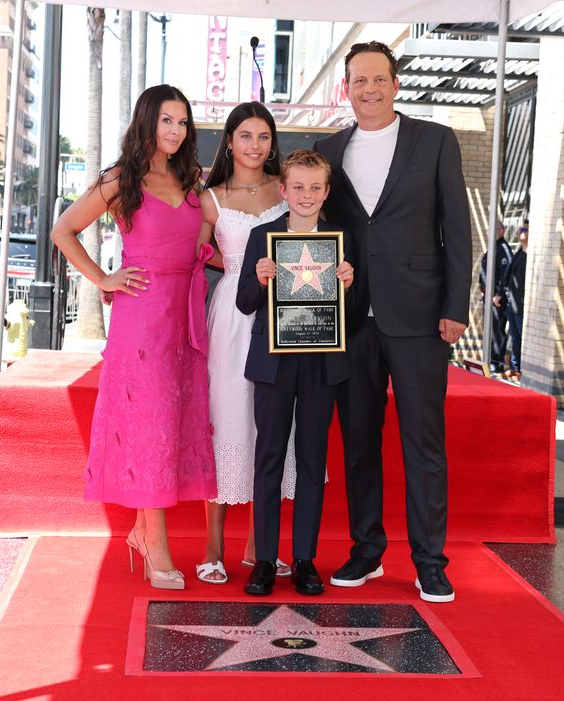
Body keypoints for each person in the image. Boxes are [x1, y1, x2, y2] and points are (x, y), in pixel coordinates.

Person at [316, 41, 472, 603]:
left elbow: (457, 228)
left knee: (423, 445)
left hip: (421, 318)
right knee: (359, 442)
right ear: (346, 88)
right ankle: (368, 550)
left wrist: (457, 306)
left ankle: (430, 561)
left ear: (396, 84)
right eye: (359, 80)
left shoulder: (435, 140)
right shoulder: (328, 149)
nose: (370, 89)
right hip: (351, 319)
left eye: (379, 79)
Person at [50, 85, 216, 591]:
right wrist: (104, 278)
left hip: (185, 313)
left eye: (183, 122)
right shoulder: (121, 179)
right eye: (167, 120)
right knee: (150, 425)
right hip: (142, 315)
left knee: (173, 422)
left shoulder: (192, 178)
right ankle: (156, 545)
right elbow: (63, 230)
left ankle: (143, 535)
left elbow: (206, 239)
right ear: (147, 121)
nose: (176, 131)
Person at [237, 149, 354, 596]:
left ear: (326, 192)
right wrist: (260, 278)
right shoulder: (262, 237)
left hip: (322, 363)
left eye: (315, 187)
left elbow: (352, 313)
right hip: (273, 362)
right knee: (268, 457)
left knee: (311, 459)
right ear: (283, 190)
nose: (307, 195)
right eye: (299, 187)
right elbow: (244, 302)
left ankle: (305, 558)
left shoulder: (340, 241)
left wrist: (348, 283)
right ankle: (265, 560)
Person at [195, 102, 293, 585]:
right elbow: (196, 252)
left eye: (264, 136)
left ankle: (261, 545)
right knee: (228, 419)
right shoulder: (211, 197)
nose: (255, 145)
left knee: (270, 423)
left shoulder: (287, 188)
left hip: (283, 312)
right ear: (230, 141)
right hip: (232, 317)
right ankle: (213, 548)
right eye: (246, 136)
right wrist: (236, 266)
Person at [479, 222, 513, 374]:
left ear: (501, 231)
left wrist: (499, 294)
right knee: (489, 329)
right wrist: (482, 290)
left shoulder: (503, 249)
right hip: (487, 296)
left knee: (497, 330)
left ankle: (497, 362)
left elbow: (506, 273)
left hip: (496, 299)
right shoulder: (493, 248)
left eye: (493, 230)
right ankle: (489, 358)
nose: (489, 233)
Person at [499, 221, 528, 378]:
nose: (519, 231)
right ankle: (515, 367)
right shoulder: (519, 253)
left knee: (522, 337)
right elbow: (508, 276)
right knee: (515, 337)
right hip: (512, 303)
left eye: (524, 229)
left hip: (521, 304)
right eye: (520, 229)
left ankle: (523, 368)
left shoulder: (529, 255)